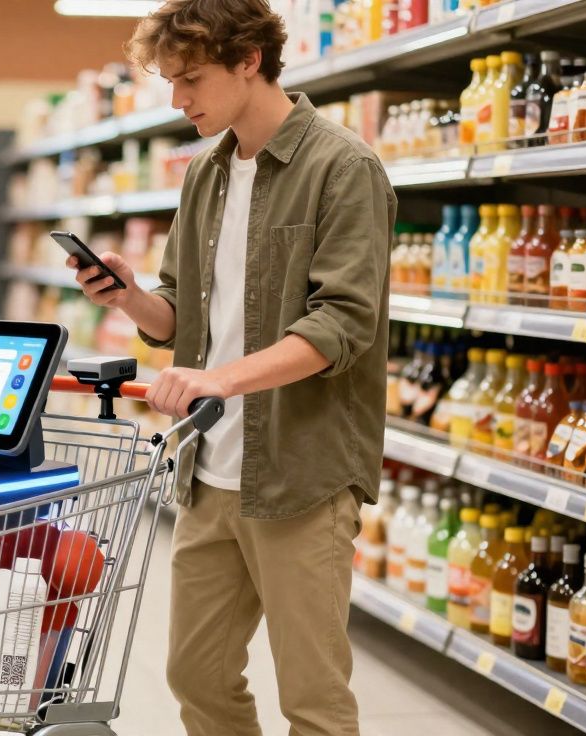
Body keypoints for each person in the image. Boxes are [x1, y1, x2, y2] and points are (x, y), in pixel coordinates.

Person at [68, 1, 396, 734]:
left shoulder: (344, 168)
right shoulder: (205, 174)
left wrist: (221, 378)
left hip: (300, 476)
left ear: (249, 60)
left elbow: (342, 325)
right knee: (197, 676)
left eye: (190, 79)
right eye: (169, 81)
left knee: (312, 698)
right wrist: (129, 298)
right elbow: (183, 315)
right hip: (209, 470)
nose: (178, 100)